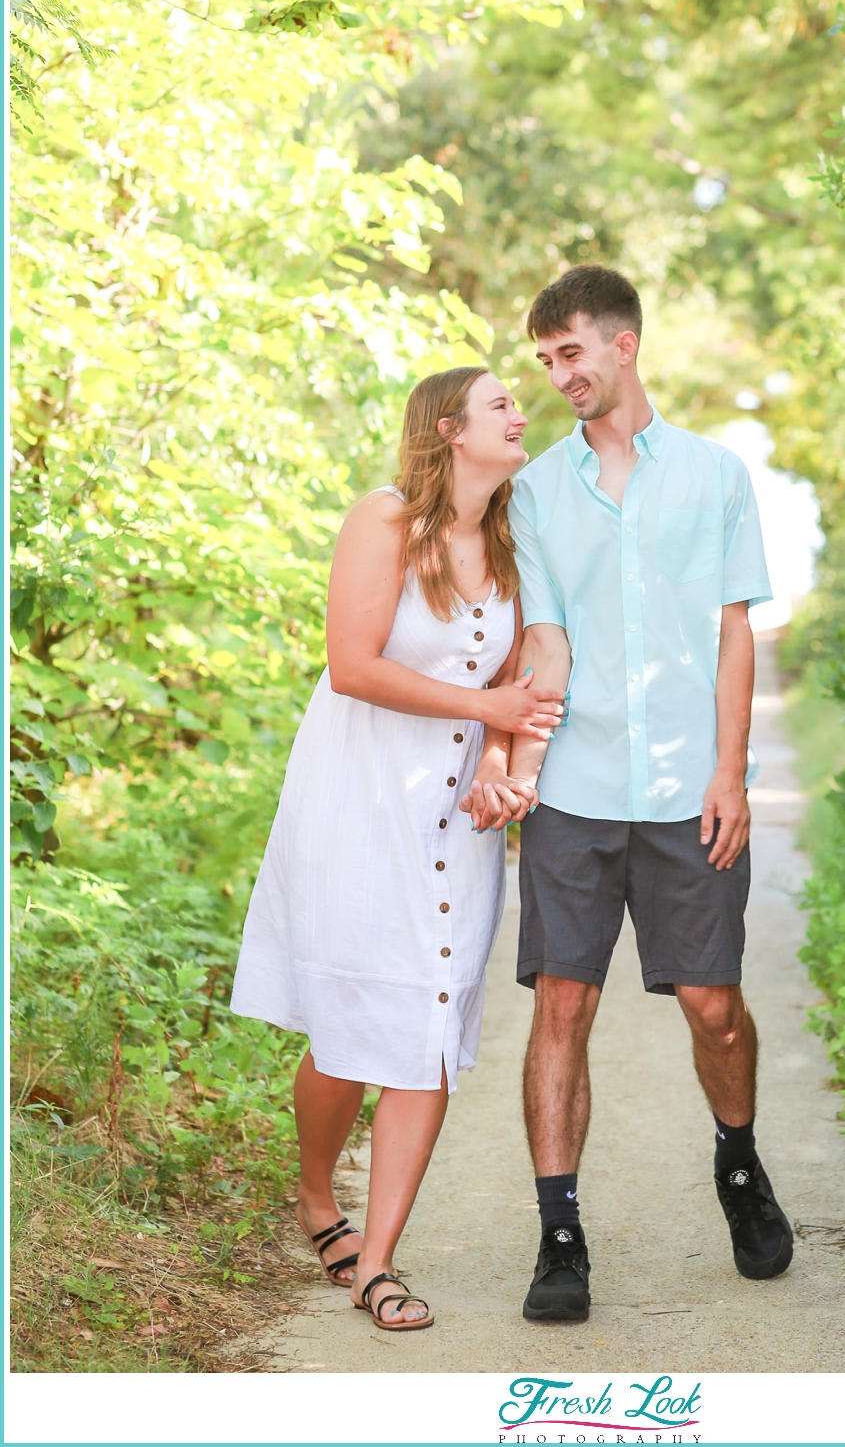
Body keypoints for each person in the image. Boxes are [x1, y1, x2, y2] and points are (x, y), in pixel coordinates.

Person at [230, 366, 563, 1333]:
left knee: (428, 1028)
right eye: (503, 402)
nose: (521, 413)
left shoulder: (510, 545)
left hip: (455, 821)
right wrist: (485, 709)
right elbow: (352, 664)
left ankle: (378, 1264)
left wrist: (501, 762)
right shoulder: (384, 520)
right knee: (345, 1028)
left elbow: (515, 678)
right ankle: (314, 1195)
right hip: (358, 798)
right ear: (451, 429)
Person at [506, 265, 794, 1325]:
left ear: (623, 345)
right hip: (575, 794)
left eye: (569, 353)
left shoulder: (717, 477)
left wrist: (731, 772)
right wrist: (517, 764)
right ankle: (560, 1233)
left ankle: (738, 1162)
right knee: (561, 1006)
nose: (558, 376)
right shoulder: (535, 491)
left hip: (689, 792)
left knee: (716, 1010)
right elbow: (545, 637)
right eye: (543, 362)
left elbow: (733, 632)